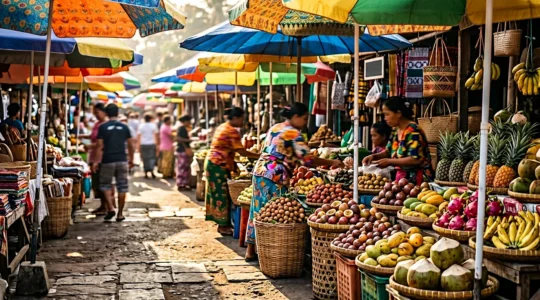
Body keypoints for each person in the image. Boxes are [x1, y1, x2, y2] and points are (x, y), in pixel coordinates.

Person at [245, 103, 343, 260]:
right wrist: (332, 163)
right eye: (304, 119)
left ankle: (250, 250)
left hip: (260, 170)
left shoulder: (276, 127)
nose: (305, 123)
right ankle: (272, 253)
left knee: (257, 210)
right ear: (296, 117)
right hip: (275, 175)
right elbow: (308, 160)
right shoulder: (293, 133)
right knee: (276, 212)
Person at [205, 107, 259, 235]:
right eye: (241, 118)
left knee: (218, 193)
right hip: (218, 165)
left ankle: (222, 223)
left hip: (214, 164)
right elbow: (242, 151)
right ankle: (223, 226)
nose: (242, 121)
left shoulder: (223, 127)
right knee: (221, 195)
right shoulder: (231, 131)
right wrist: (260, 156)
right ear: (235, 118)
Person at [363, 97, 434, 185]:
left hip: (418, 181)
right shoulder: (395, 130)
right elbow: (388, 151)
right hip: (401, 179)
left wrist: (389, 161)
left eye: (387, 114)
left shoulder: (413, 131)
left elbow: (415, 159)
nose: (385, 118)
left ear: (398, 113)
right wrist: (374, 156)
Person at [93, 104, 135, 221]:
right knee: (122, 187)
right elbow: (131, 144)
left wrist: (96, 161)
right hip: (122, 160)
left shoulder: (103, 127)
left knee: (105, 185)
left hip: (107, 160)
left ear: (106, 113)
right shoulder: (124, 127)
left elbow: (100, 146)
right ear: (117, 113)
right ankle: (120, 214)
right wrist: (131, 159)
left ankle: (111, 208)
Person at [86, 103, 107, 215]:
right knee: (96, 183)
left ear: (103, 112)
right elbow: (93, 137)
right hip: (94, 156)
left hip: (100, 158)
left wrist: (90, 146)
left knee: (101, 182)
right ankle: (103, 206)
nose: (95, 115)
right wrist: (82, 137)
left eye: (97, 112)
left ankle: (106, 206)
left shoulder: (104, 125)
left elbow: (101, 144)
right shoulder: (97, 124)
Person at [138, 113, 159, 179]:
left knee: (145, 158)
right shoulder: (153, 125)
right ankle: (152, 171)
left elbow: (139, 136)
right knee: (152, 158)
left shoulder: (141, 126)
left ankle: (146, 172)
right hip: (151, 143)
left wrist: (138, 145)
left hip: (143, 144)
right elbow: (156, 135)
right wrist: (157, 144)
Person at [176, 115, 193, 191]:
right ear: (185, 121)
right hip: (182, 150)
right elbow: (178, 139)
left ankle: (183, 184)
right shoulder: (181, 128)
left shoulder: (182, 128)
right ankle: (181, 184)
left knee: (184, 168)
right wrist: (188, 141)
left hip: (182, 150)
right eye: (189, 121)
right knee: (182, 168)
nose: (190, 123)